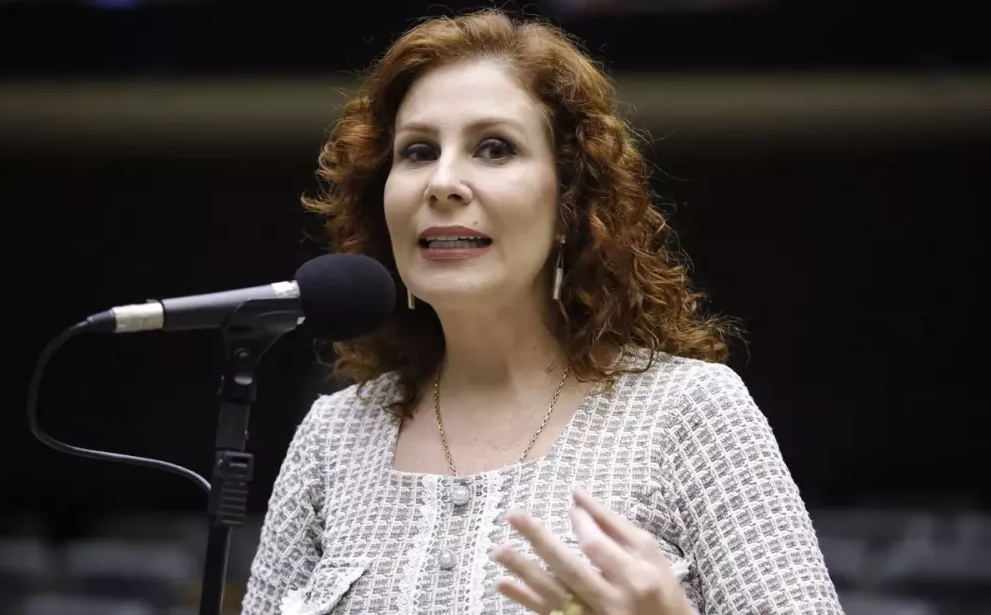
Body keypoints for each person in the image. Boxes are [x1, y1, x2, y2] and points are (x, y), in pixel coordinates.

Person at [241, 8, 843, 615]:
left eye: (494, 149)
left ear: (571, 203)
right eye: (418, 151)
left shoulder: (690, 414)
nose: (442, 182)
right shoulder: (333, 438)